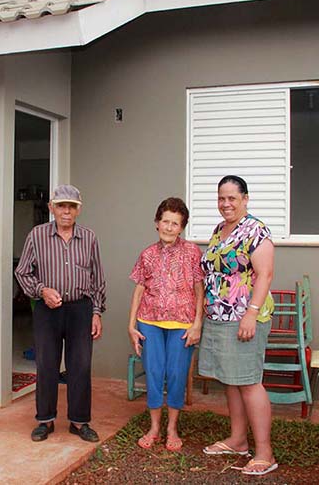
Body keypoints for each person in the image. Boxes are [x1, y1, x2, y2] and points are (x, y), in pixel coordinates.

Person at [14, 184, 106, 443]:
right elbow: (22, 272)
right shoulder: (37, 236)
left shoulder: (89, 238)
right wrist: (41, 290)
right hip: (48, 310)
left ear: (79, 209)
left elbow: (98, 279)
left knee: (80, 366)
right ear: (51, 208)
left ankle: (79, 422)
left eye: (71, 206)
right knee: (46, 365)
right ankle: (45, 420)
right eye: (61, 206)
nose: (66, 211)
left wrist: (96, 312)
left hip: (80, 309)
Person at [199, 175, 278, 476]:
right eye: (221, 198)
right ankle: (237, 440)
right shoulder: (220, 230)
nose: (226, 203)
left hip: (245, 317)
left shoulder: (256, 230)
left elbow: (265, 274)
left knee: (248, 381)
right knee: (230, 380)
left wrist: (251, 313)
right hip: (220, 317)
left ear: (245, 199)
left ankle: (265, 452)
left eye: (232, 198)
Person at [127, 197, 204, 452]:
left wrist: (197, 324)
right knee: (154, 372)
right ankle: (154, 427)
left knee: (176, 373)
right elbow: (139, 289)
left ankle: (172, 428)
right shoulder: (147, 254)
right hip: (149, 321)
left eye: (175, 223)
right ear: (156, 223)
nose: (169, 227)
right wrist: (131, 325)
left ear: (181, 227)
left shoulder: (192, 252)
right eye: (165, 221)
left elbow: (199, 289)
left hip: (183, 323)